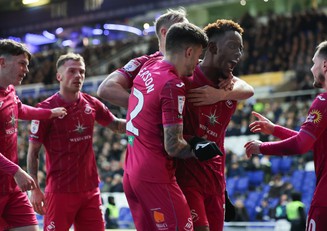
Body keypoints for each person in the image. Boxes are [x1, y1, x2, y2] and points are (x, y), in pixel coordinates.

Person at [244, 38, 327, 231]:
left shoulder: (326, 99)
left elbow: (301, 145)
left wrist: (261, 147)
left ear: (324, 65)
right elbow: (315, 141)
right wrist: (275, 129)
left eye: (313, 63)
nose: (311, 69)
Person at [123, 22, 219, 231]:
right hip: (155, 176)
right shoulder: (172, 84)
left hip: (131, 174)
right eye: (197, 56)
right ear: (188, 51)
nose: (198, 62)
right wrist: (197, 149)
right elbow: (173, 146)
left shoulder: (149, 67)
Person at [27, 53, 126, 231]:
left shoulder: (92, 103)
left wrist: (146, 119)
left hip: (90, 190)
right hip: (60, 192)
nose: (78, 76)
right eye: (72, 71)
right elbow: (33, 151)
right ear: (59, 76)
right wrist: (34, 189)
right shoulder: (44, 109)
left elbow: (117, 126)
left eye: (81, 71)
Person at [175, 19, 254, 231]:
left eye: (241, 49)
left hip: (216, 181)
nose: (238, 54)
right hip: (188, 176)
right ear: (212, 47)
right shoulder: (187, 80)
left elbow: (249, 89)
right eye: (232, 47)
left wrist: (219, 94)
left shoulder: (229, 86)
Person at [97, 8, 242, 109]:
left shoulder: (192, 61)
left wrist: (222, 94)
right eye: (180, 28)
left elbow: (246, 88)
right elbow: (106, 88)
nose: (187, 33)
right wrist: (143, 109)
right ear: (165, 32)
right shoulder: (142, 63)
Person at [0, 39, 67, 231]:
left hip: (11, 186)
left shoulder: (10, 91)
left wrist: (49, 113)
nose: (26, 70)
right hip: (13, 175)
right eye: (22, 64)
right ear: (2, 62)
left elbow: (20, 110)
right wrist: (16, 171)